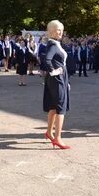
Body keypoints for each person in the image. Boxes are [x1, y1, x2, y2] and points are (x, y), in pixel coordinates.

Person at [43, 20, 72, 150]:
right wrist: (54, 71)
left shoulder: (54, 44)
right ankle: (58, 137)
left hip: (59, 78)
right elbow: (47, 60)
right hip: (57, 78)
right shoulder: (53, 45)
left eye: (61, 29)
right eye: (57, 29)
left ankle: (49, 132)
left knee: (54, 106)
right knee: (61, 108)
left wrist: (66, 81)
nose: (60, 32)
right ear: (50, 31)